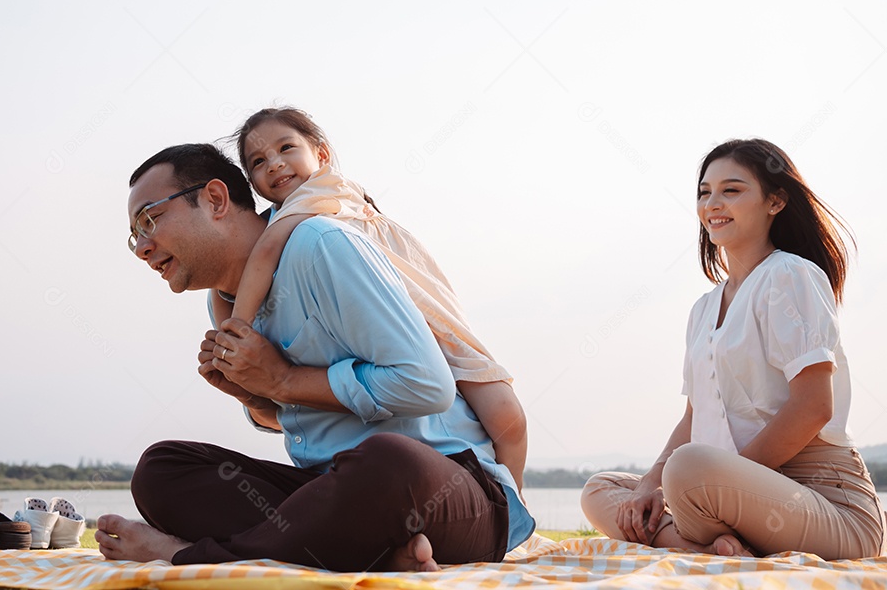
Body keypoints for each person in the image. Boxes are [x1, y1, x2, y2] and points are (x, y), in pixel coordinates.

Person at [97, 143, 534, 571]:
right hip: (330, 491)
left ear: (214, 199)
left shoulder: (319, 245)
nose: (142, 247)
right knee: (162, 470)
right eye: (135, 235)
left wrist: (282, 380)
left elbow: (427, 385)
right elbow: (288, 418)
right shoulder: (225, 303)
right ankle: (369, 551)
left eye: (150, 220)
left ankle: (183, 556)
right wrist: (253, 396)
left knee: (387, 461)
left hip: (444, 485)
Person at [580, 138, 885, 560]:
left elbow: (814, 407)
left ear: (775, 202)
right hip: (734, 489)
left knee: (686, 469)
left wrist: (723, 479)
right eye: (705, 192)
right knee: (603, 488)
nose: (713, 203)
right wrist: (651, 483)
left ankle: (704, 536)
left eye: (732, 190)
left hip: (827, 504)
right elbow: (693, 417)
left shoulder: (789, 275)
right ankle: (713, 546)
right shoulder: (703, 308)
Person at [212, 107, 527, 489]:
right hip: (399, 319)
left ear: (322, 155)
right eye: (259, 162)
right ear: (254, 183)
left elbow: (260, 259)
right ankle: (508, 506)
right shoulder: (291, 216)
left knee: (507, 416)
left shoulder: (320, 196)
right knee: (497, 413)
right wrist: (237, 333)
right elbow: (246, 268)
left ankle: (514, 500)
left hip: (430, 313)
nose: (275, 165)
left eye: (286, 148)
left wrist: (236, 332)